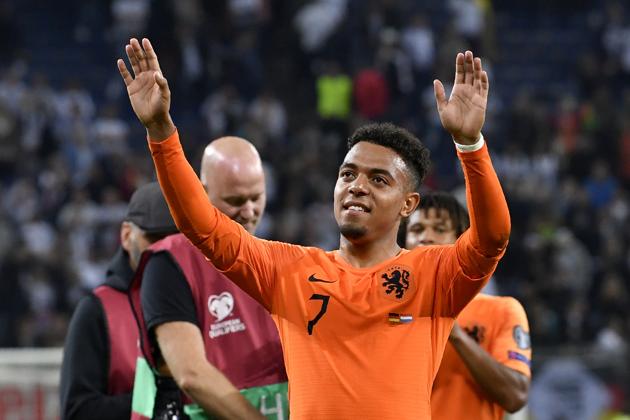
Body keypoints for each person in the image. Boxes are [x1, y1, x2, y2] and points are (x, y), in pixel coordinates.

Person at [117, 38, 510, 419]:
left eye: (378, 179)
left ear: (408, 205)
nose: (357, 185)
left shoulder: (432, 276)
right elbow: (201, 225)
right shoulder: (291, 272)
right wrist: (160, 132)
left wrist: (470, 145)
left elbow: (492, 239)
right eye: (348, 174)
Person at [129, 137, 287, 420]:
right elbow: (191, 374)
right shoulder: (169, 263)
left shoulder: (277, 260)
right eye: (235, 201)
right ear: (202, 193)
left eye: (256, 197)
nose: (249, 211)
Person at [405, 191, 531, 419]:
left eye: (439, 228)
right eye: (416, 229)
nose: (425, 237)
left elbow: (516, 395)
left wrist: (452, 330)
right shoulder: (385, 309)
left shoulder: (501, 310)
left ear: (461, 242)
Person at [59, 183, 178, 420]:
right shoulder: (97, 309)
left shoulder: (202, 300)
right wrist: (163, 400)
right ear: (126, 236)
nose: (165, 250)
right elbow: (77, 411)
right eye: (154, 239)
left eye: (176, 240)